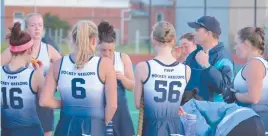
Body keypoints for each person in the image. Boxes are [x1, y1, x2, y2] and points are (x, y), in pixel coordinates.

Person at [39, 20, 118, 136]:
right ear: (94, 40)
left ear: (73, 39)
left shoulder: (59, 64)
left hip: (65, 128)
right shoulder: (105, 65)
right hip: (94, 127)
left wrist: (67, 103)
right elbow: (112, 106)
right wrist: (100, 125)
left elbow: (44, 101)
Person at [0, 13, 61, 136]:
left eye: (40, 25)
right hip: (29, 123)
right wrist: (68, 103)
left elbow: (63, 70)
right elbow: (46, 100)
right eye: (33, 25)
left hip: (12, 125)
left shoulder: (48, 50)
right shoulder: (34, 74)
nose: (37, 28)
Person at [134, 21, 191, 136]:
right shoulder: (186, 70)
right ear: (174, 41)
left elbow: (137, 104)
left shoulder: (143, 67)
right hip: (176, 127)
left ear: (154, 40)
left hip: (152, 128)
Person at [1, 22, 44, 136]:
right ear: (29, 50)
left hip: (7, 131)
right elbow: (44, 102)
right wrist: (40, 73)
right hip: (31, 131)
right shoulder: (35, 76)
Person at [223, 27, 268, 135]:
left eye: (237, 43)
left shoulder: (255, 64)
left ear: (246, 44)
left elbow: (254, 98)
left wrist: (234, 95)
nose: (235, 47)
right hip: (254, 122)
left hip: (256, 123)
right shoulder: (257, 63)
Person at [97, 21, 135, 136]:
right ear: (97, 44)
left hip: (120, 111)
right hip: (101, 110)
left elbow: (132, 85)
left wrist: (123, 79)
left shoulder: (122, 58)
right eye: (103, 50)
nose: (107, 54)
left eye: (110, 50)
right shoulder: (93, 60)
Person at [185, 16, 234, 101]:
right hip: (192, 111)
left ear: (208, 33)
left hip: (213, 112)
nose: (193, 33)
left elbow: (225, 89)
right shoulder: (193, 55)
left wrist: (207, 66)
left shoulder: (223, 58)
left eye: (197, 30)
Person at [180, 90, 265, 136]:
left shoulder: (188, 106)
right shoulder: (210, 107)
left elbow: (200, 131)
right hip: (253, 118)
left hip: (235, 125)